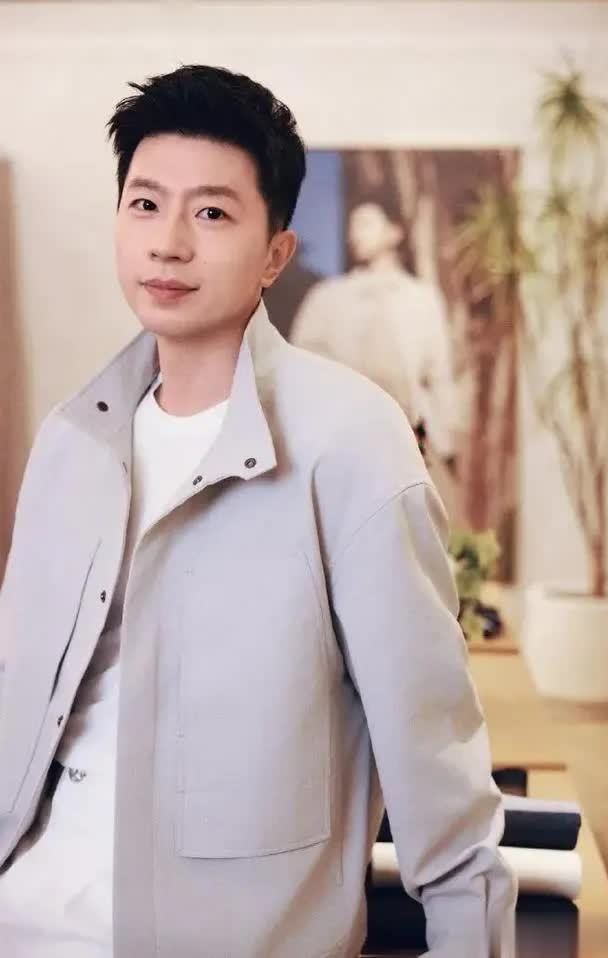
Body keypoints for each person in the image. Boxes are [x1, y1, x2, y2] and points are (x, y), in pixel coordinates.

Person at [0, 64, 517, 957]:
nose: (168, 244)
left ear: (276, 253)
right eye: (145, 204)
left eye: (211, 213)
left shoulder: (351, 444)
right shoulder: (69, 441)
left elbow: (436, 761)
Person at [289, 199, 458, 472]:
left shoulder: (420, 297)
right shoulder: (328, 297)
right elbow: (302, 368)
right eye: (352, 226)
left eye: (365, 224)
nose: (355, 234)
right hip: (345, 442)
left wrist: (448, 443)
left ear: (394, 232)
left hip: (409, 441)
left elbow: (439, 375)